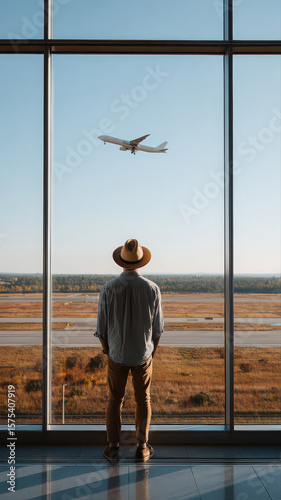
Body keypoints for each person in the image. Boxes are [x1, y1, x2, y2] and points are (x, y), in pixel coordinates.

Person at [94, 238, 164, 463]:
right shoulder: (152, 288)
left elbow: (101, 328)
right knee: (143, 399)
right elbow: (157, 328)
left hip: (117, 354)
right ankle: (142, 448)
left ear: (121, 261)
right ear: (141, 262)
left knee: (115, 400)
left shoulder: (109, 288)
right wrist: (150, 352)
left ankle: (113, 448)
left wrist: (107, 350)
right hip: (143, 354)